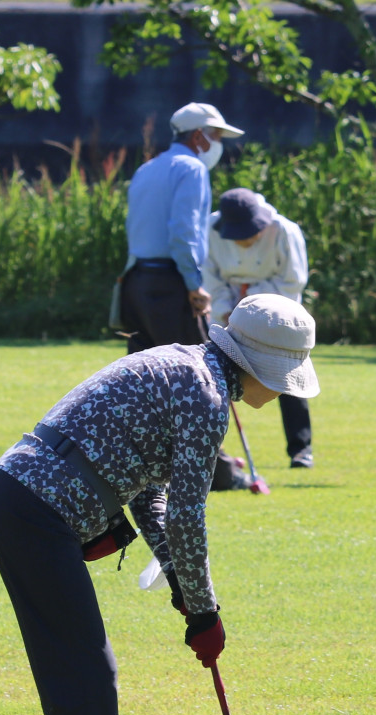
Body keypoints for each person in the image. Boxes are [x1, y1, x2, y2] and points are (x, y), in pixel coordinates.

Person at [0, 295, 320, 715]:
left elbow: (148, 494)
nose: (287, 389)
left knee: (92, 672)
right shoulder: (206, 394)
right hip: (33, 514)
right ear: (260, 365)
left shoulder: (192, 370)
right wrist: (204, 610)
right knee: (84, 673)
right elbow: (189, 515)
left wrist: (188, 596)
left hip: (27, 506)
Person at [118, 102, 247, 489]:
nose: (218, 145)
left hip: (137, 283)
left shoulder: (147, 167)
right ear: (198, 137)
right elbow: (183, 233)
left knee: (143, 381)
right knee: (202, 381)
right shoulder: (191, 168)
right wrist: (195, 286)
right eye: (217, 137)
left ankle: (139, 467)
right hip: (170, 285)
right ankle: (220, 474)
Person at [203, 188, 316, 469]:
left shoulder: (285, 231)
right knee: (214, 379)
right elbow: (208, 275)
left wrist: (252, 303)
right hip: (226, 311)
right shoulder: (208, 228)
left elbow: (292, 282)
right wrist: (227, 309)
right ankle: (215, 450)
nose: (243, 239)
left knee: (289, 379)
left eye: (248, 232)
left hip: (277, 313)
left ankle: (301, 449)